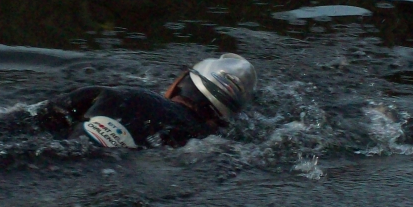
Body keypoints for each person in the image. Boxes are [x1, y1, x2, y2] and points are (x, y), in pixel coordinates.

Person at [36, 53, 257, 148]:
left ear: (181, 81)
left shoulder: (117, 95)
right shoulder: (205, 143)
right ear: (219, 121)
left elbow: (36, 116)